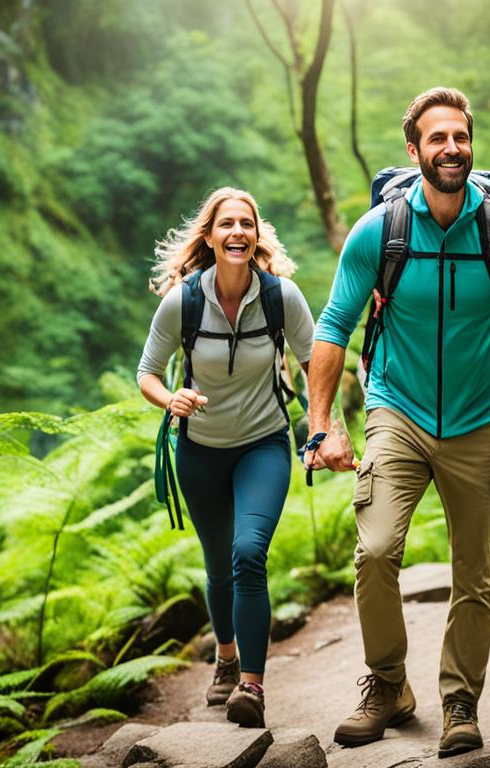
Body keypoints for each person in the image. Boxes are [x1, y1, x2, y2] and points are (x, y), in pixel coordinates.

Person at [304, 87, 490, 758]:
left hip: (479, 419)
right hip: (397, 408)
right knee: (376, 549)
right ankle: (388, 683)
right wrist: (322, 421)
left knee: (474, 571)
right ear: (414, 150)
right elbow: (334, 324)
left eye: (461, 137)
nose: (452, 148)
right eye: (437, 138)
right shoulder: (380, 232)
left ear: (471, 146)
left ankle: (459, 700)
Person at [136, 187, 314, 729]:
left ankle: (251, 687)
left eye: (247, 224)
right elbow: (147, 372)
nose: (238, 232)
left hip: (264, 444)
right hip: (201, 451)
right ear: (209, 237)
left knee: (247, 554)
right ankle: (227, 656)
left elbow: (316, 363)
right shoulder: (183, 301)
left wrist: (328, 429)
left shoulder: (283, 297)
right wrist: (172, 399)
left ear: (256, 236)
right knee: (217, 568)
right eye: (226, 224)